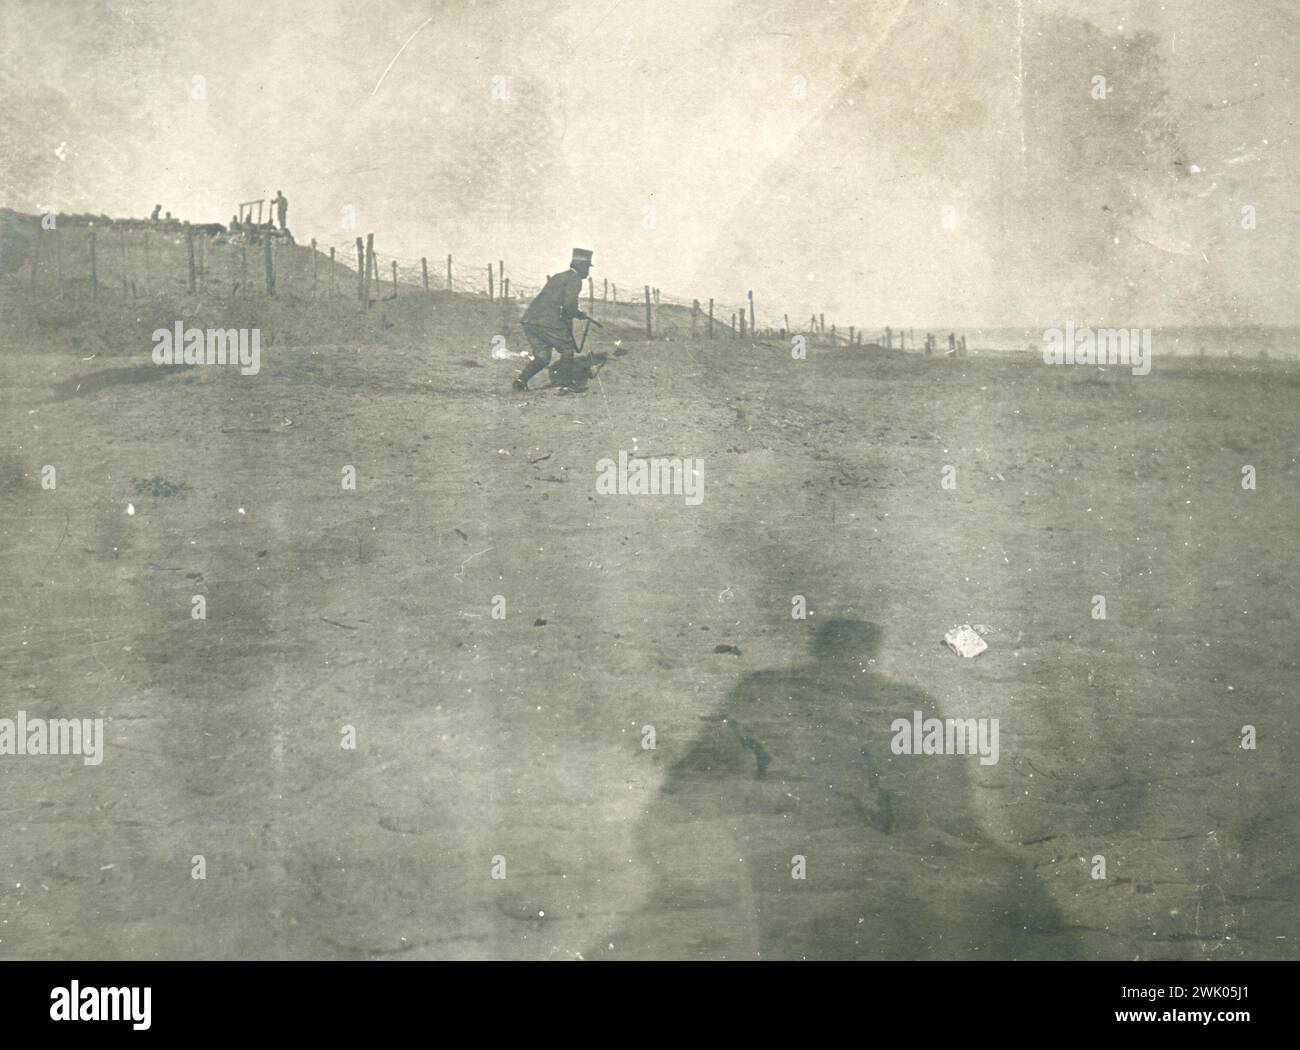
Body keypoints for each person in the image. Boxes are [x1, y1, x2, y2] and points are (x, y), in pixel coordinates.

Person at [514, 248, 592, 392]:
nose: (588, 271)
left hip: (530, 321)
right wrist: (575, 314)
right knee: (567, 348)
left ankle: (520, 382)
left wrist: (576, 313)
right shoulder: (575, 279)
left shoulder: (559, 276)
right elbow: (569, 304)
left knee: (543, 357)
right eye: (587, 267)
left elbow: (554, 300)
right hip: (547, 322)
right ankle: (565, 385)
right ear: (580, 266)